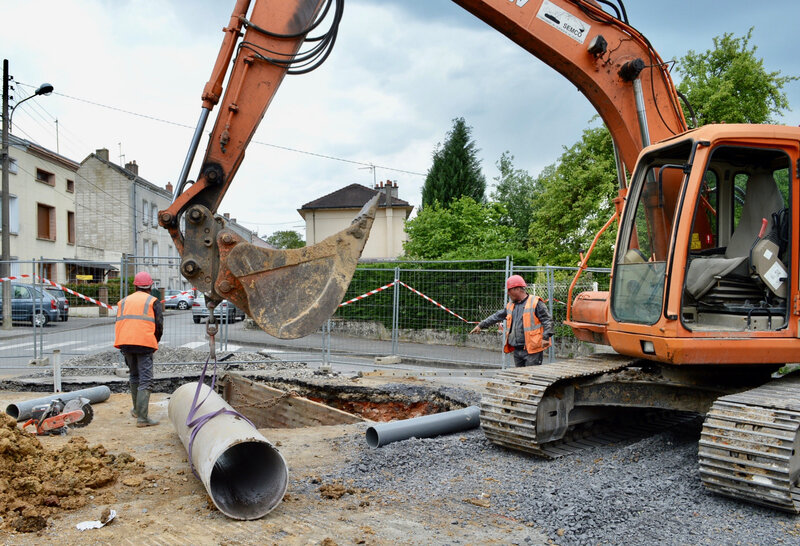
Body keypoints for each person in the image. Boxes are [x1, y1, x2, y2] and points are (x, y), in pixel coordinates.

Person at [469, 274, 554, 367]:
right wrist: (481, 325)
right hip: (517, 350)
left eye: (509, 290)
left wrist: (545, 337)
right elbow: (496, 316)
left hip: (532, 350)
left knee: (531, 378)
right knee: (519, 377)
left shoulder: (535, 302)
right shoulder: (510, 306)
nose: (508, 293)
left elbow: (547, 320)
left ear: (517, 289)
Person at [114, 271, 163, 427]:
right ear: (150, 286)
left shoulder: (123, 301)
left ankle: (136, 410)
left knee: (134, 376)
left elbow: (121, 322)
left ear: (135, 286)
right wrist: (154, 341)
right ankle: (143, 418)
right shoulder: (152, 301)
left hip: (125, 343)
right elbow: (159, 326)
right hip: (144, 344)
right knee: (146, 380)